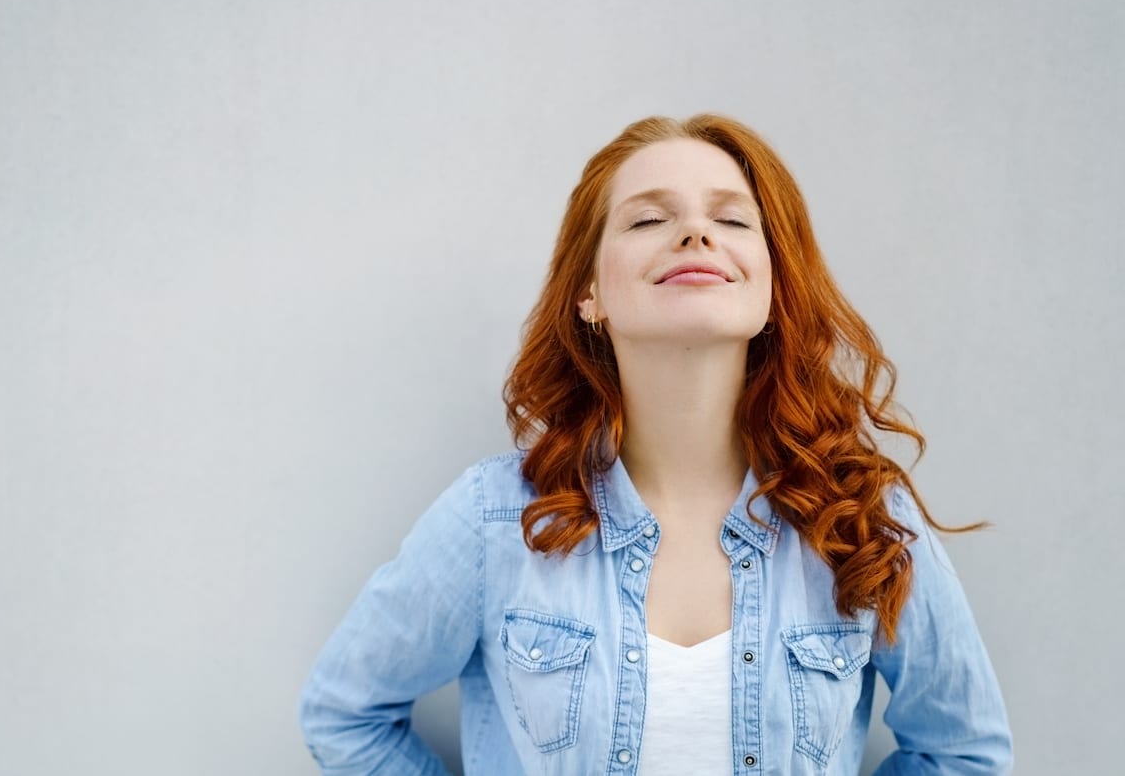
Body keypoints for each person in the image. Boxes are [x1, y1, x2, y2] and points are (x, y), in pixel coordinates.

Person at [297, 113, 1012, 775]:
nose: (696, 234)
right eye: (648, 218)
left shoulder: (860, 514)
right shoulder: (495, 519)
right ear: (590, 295)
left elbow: (964, 752)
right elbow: (345, 713)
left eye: (731, 218)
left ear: (770, 290)